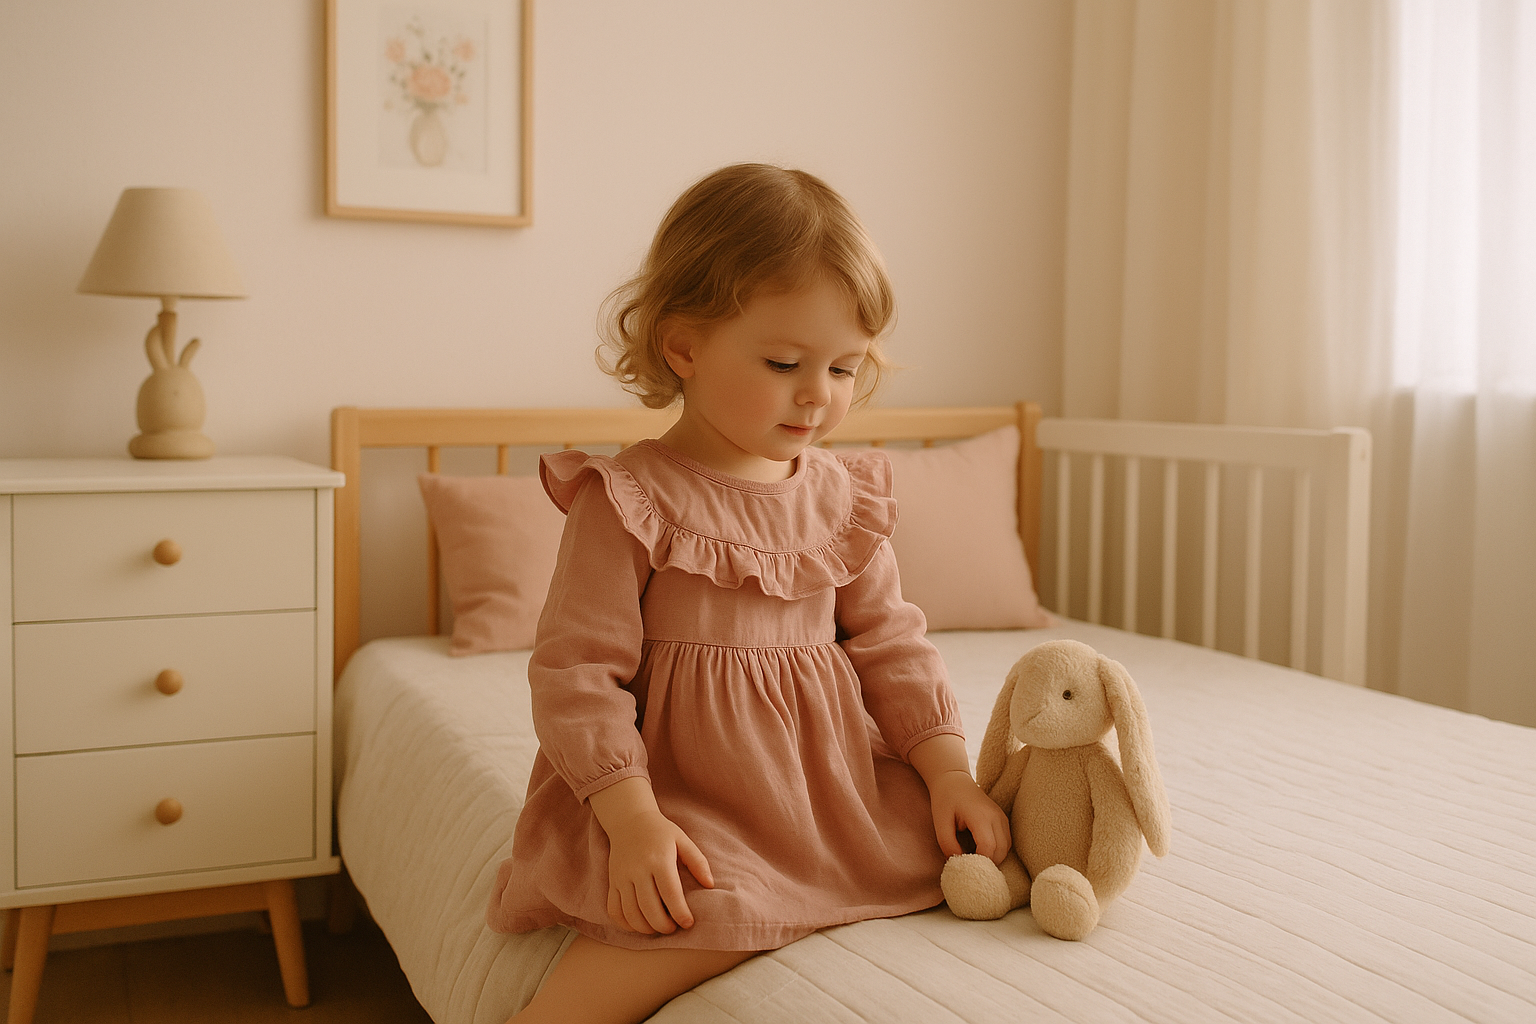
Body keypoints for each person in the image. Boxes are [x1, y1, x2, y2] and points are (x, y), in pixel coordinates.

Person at [487, 163, 1011, 1024]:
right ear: (683, 345)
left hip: (829, 789)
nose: (820, 394)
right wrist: (631, 822)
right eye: (784, 361)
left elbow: (891, 644)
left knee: (976, 834)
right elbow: (577, 676)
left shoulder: (845, 498)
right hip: (687, 788)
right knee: (693, 897)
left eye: (845, 368)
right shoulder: (626, 499)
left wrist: (948, 770)